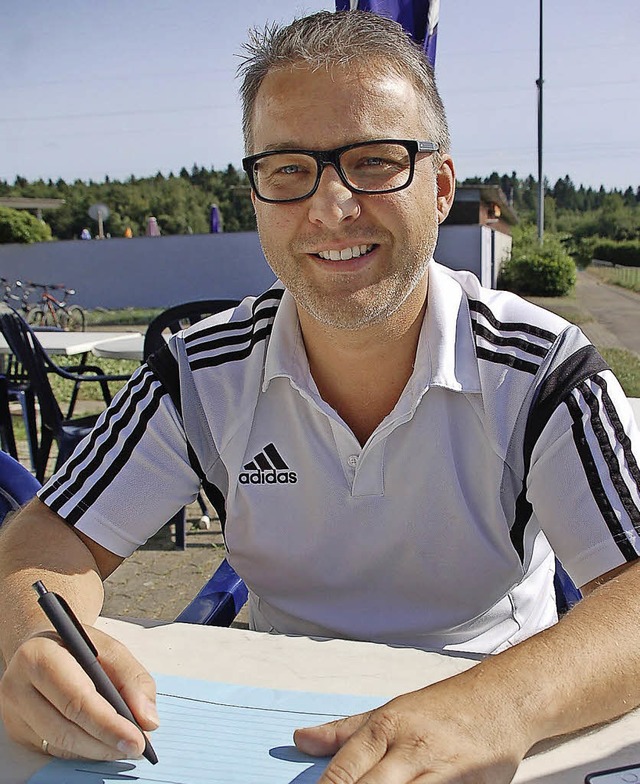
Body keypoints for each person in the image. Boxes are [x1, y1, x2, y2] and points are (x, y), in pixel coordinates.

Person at [1, 10, 640, 782]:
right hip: (272, 731)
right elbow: (47, 538)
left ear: (439, 187)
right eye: (288, 170)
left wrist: (495, 705)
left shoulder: (540, 370)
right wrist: (37, 640)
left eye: (374, 162)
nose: (330, 207)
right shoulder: (200, 371)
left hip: (499, 719)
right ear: (257, 196)